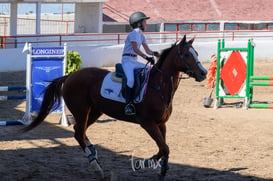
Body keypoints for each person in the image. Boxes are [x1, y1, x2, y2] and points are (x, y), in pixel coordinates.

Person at [122, 11, 159, 115]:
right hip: (127, 61)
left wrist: (155, 54)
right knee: (130, 80)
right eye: (144, 22)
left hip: (134, 61)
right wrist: (146, 58)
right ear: (139, 23)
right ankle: (128, 104)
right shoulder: (133, 34)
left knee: (151, 70)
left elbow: (147, 50)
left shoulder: (141, 36)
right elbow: (135, 49)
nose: (146, 24)